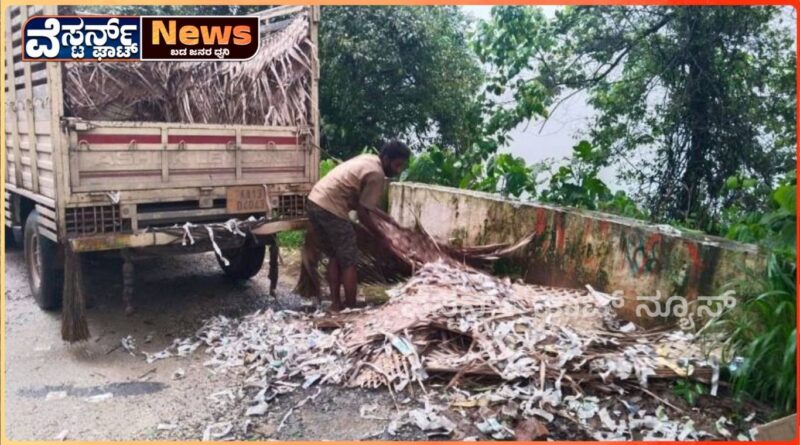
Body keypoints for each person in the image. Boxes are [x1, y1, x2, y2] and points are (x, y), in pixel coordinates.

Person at [306, 140, 411, 311]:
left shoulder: (368, 159)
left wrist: (386, 218)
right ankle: (351, 307)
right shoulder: (376, 175)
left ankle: (336, 304)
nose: (398, 171)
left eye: (401, 167)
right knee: (349, 261)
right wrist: (382, 237)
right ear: (385, 159)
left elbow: (359, 202)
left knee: (334, 256)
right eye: (397, 165)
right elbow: (363, 214)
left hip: (314, 201)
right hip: (331, 208)